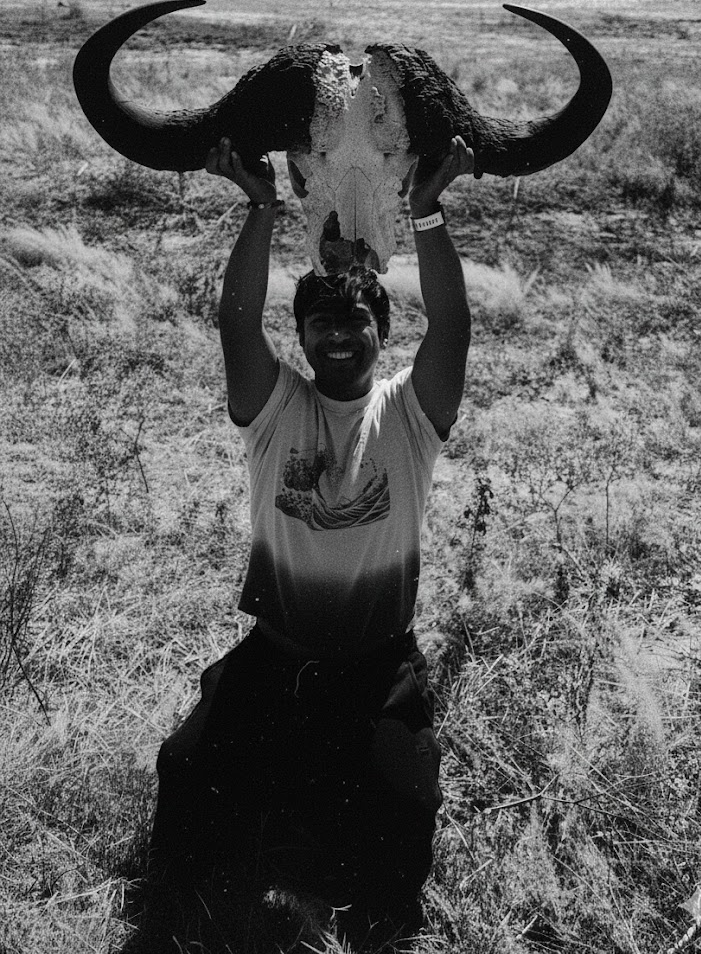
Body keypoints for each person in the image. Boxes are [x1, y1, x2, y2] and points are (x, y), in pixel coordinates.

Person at [141, 136, 475, 953]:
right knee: (187, 774)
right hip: (276, 654)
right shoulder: (271, 409)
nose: (337, 333)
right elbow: (232, 319)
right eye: (320, 319)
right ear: (299, 332)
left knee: (398, 814)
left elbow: (455, 324)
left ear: (379, 331)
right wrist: (259, 208)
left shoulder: (410, 417)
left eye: (355, 318)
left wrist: (426, 213)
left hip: (377, 663)